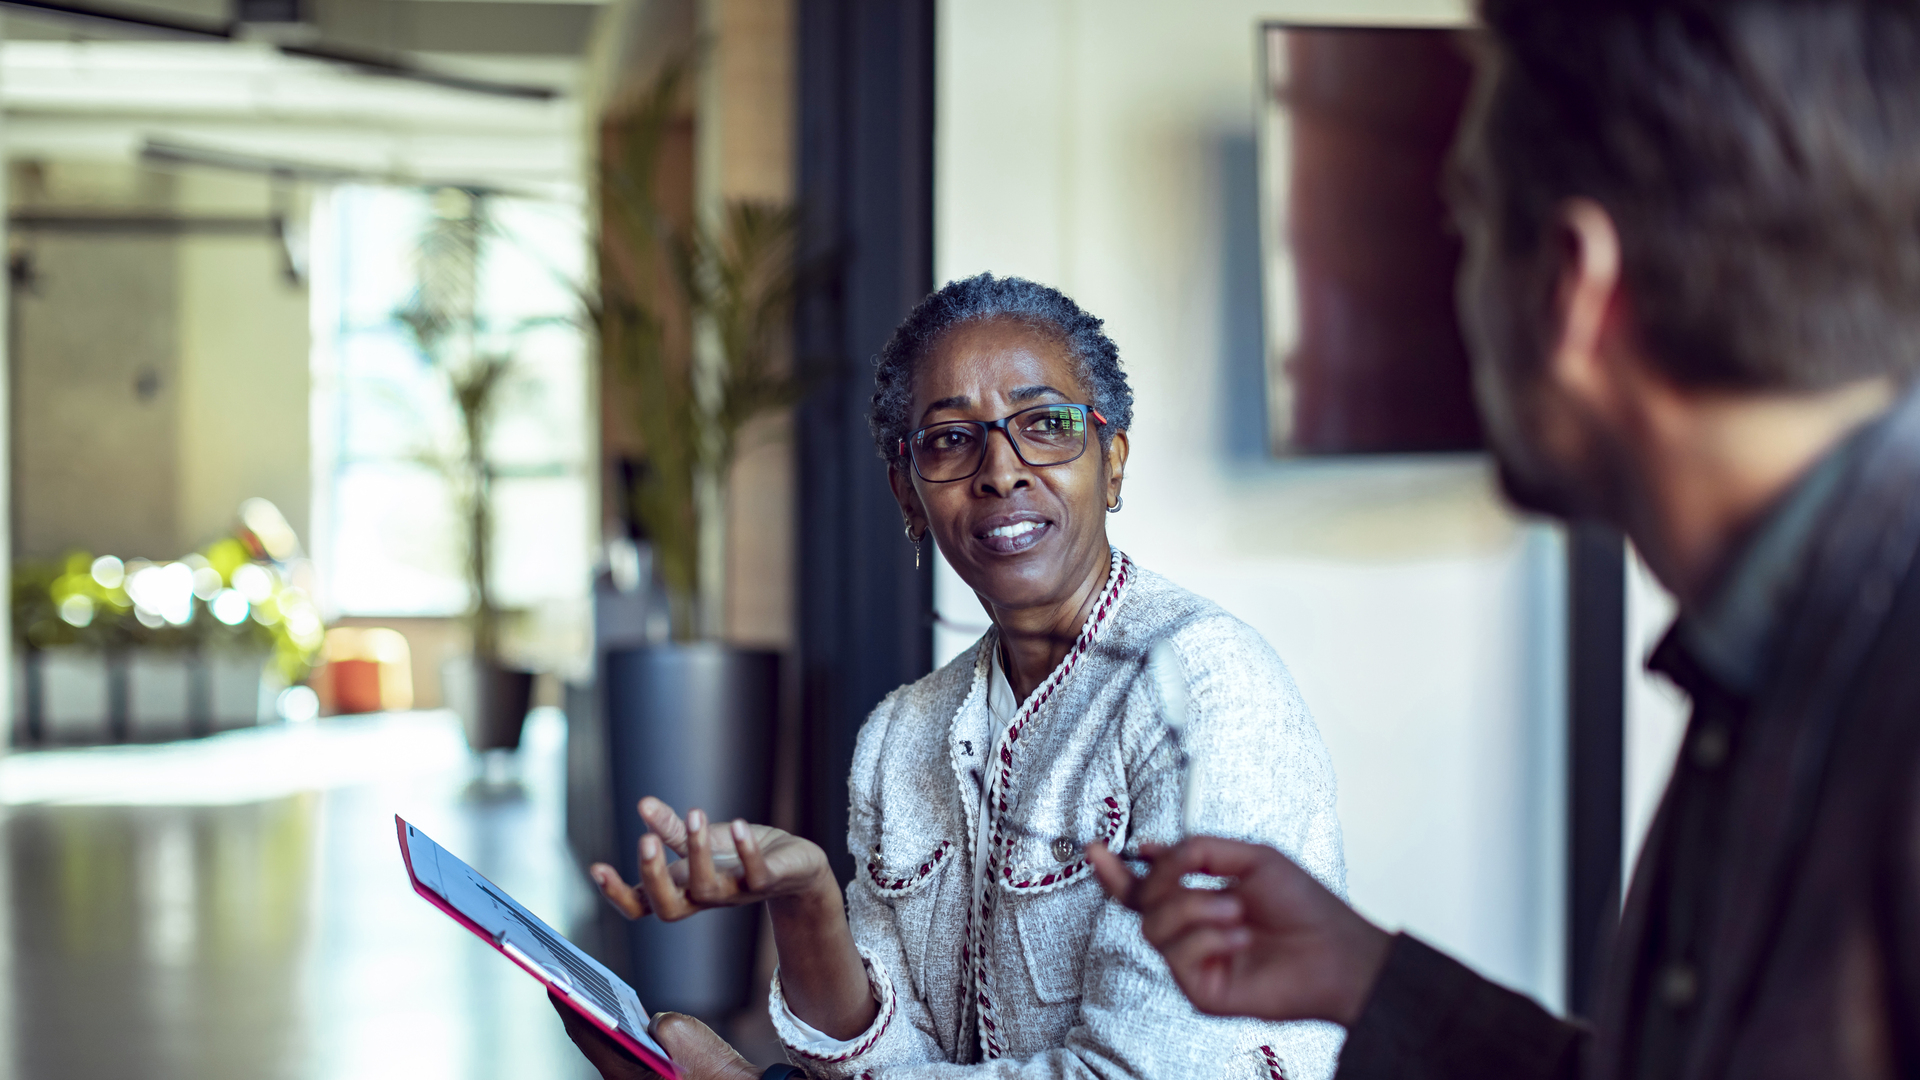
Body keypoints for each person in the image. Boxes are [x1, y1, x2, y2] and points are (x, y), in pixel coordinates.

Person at [1091, 0, 1920, 1076]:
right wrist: (1366, 976)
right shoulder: (1775, 651)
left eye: (1467, 229)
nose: (1461, 287)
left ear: (1574, 286)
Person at [559, 274, 1348, 1079]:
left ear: (1111, 463)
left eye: (1047, 425)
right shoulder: (903, 738)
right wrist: (807, 903)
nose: (1001, 470)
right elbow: (882, 1063)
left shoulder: (1205, 691)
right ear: (908, 494)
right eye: (949, 439)